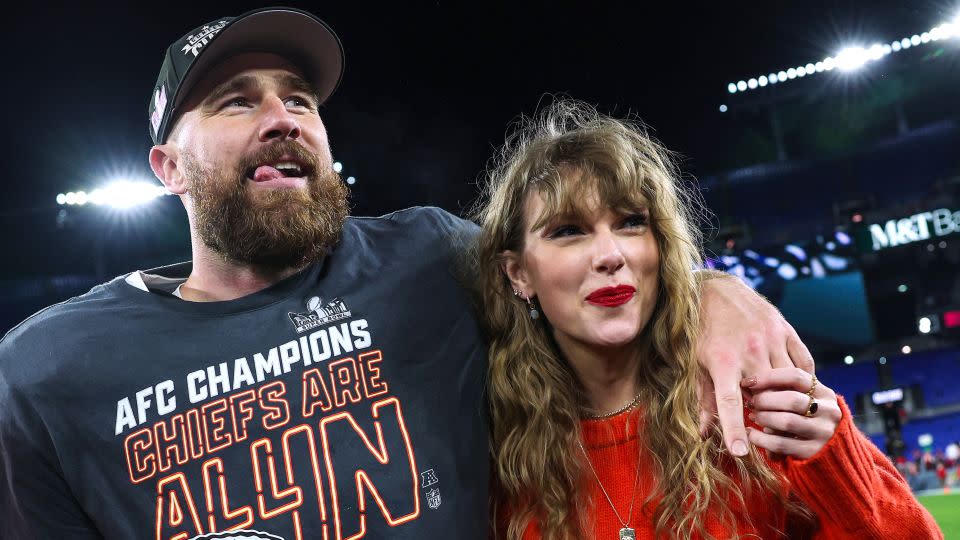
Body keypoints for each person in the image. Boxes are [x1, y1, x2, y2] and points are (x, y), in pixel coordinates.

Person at [1, 8, 815, 540]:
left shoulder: (431, 257)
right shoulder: (46, 372)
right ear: (166, 166)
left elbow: (586, 265)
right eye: (235, 101)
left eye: (300, 100)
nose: (283, 116)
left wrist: (714, 290)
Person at [473, 99, 943, 539]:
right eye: (569, 231)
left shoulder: (750, 404)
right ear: (518, 273)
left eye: (631, 222)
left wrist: (833, 461)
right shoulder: (492, 453)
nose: (610, 254)